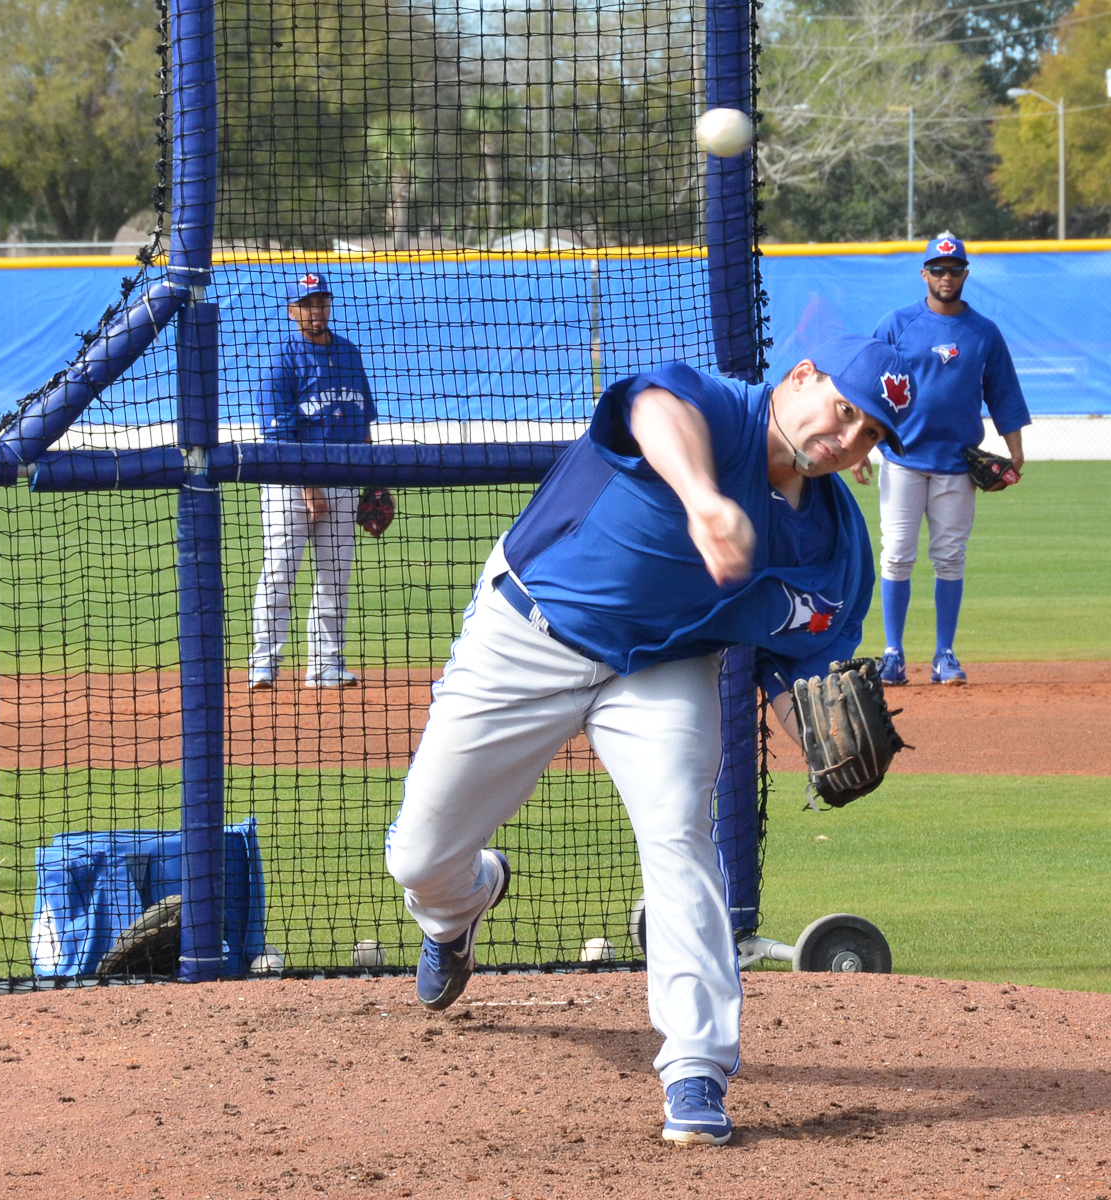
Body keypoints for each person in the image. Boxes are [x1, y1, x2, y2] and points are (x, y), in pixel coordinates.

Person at [383, 335, 915, 1145]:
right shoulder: (718, 412)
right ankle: (460, 905)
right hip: (534, 629)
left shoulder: (836, 554)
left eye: (869, 434)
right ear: (802, 378)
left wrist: (816, 739)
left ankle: (697, 1066)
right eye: (844, 409)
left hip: (664, 669)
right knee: (417, 858)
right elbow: (652, 407)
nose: (847, 439)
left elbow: (797, 679)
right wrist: (704, 499)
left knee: (679, 831)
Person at [857, 232, 1030, 687]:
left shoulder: (983, 333)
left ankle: (944, 654)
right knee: (895, 556)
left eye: (954, 269)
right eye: (938, 269)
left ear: (965, 274)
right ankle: (893, 653)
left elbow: (1003, 393)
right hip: (903, 457)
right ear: (924, 274)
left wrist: (1015, 449)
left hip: (957, 463)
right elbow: (866, 386)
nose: (946, 276)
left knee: (950, 558)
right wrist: (858, 447)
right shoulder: (897, 325)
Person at [248, 271, 377, 690]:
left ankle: (325, 663)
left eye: (321, 302)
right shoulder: (283, 361)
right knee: (281, 570)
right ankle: (264, 661)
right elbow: (280, 435)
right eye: (306, 304)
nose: (315, 311)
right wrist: (309, 489)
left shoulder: (350, 354)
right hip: (290, 483)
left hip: (344, 479)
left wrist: (373, 482)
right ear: (292, 312)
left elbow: (363, 424)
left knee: (335, 573)